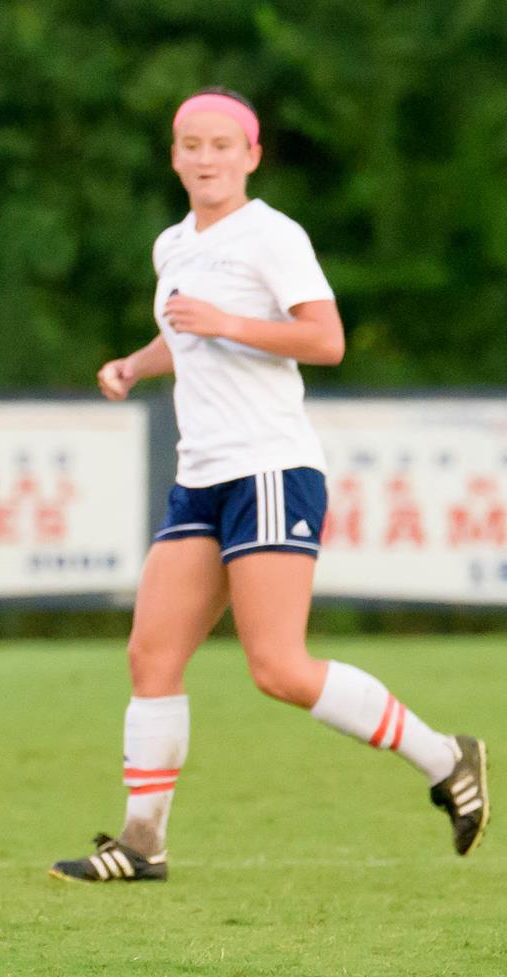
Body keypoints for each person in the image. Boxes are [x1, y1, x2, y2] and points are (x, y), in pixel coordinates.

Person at [50, 90, 487, 883]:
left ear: (251, 156)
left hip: (270, 469)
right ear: (175, 156)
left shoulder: (273, 235)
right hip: (202, 476)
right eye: (192, 144)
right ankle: (142, 844)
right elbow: (185, 331)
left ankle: (447, 757)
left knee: (278, 668)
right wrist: (135, 363)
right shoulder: (173, 243)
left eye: (224, 143)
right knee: (151, 656)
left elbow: (326, 339)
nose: (207, 157)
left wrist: (230, 324)